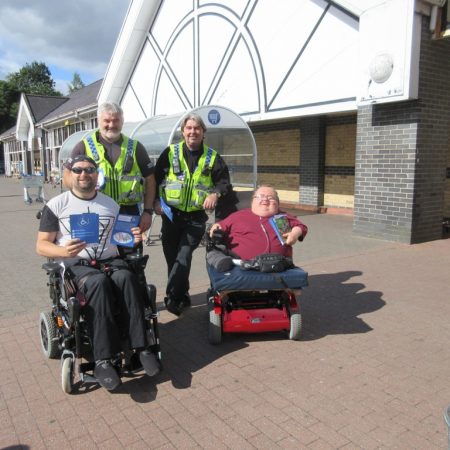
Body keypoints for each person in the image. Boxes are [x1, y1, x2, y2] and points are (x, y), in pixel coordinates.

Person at [36, 155, 159, 391]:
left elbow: (120, 242)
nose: (84, 174)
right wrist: (62, 249)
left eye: (89, 170)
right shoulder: (56, 205)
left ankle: (141, 347)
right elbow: (41, 245)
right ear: (70, 174)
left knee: (127, 278)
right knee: (98, 284)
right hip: (77, 264)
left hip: (109, 259)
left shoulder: (111, 204)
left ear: (96, 174)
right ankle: (103, 360)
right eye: (78, 170)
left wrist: (132, 239)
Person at [154, 112, 231, 316]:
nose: (192, 132)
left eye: (197, 128)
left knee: (184, 256)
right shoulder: (170, 153)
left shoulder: (212, 157)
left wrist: (215, 193)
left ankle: (173, 299)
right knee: (173, 258)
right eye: (188, 128)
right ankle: (183, 294)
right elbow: (155, 178)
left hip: (195, 218)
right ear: (183, 132)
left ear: (203, 132)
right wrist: (154, 202)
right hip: (171, 216)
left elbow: (223, 181)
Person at [64, 101, 156, 236]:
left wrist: (148, 211)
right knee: (92, 254)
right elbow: (67, 175)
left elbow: (150, 180)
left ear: (122, 121)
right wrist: (81, 191)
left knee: (129, 255)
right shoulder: (83, 146)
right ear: (98, 121)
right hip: (93, 211)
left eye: (116, 120)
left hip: (127, 214)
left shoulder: (136, 147)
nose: (111, 125)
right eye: (107, 120)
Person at [207, 185, 308, 270]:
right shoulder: (238, 215)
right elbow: (220, 225)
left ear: (277, 204)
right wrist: (215, 228)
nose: (265, 199)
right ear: (252, 202)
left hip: (278, 264)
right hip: (243, 265)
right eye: (260, 196)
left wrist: (295, 234)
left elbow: (300, 226)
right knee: (216, 250)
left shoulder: (282, 217)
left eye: (270, 198)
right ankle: (221, 261)